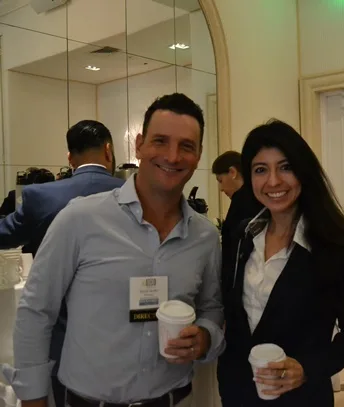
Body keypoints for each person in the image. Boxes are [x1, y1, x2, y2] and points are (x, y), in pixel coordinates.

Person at [2, 93, 224, 407]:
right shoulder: (80, 219)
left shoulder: (205, 237)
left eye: (186, 146)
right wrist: (32, 398)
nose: (173, 156)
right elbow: (36, 311)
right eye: (160, 141)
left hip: (173, 399)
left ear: (199, 154)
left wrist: (205, 336)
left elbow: (212, 307)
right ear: (139, 144)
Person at [217, 119, 344, 407]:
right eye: (261, 170)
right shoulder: (243, 236)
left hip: (301, 398)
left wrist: (307, 369)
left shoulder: (335, 246)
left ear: (303, 171)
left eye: (285, 167)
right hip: (238, 393)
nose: (273, 181)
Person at [0, 120, 124, 407]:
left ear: (70, 158)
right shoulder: (138, 194)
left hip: (63, 341)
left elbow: (4, 234)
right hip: (128, 338)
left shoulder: (42, 196)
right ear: (108, 150)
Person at [212, 151, 261, 299]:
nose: (221, 189)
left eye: (220, 180)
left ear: (232, 172)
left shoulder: (243, 203)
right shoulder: (252, 198)